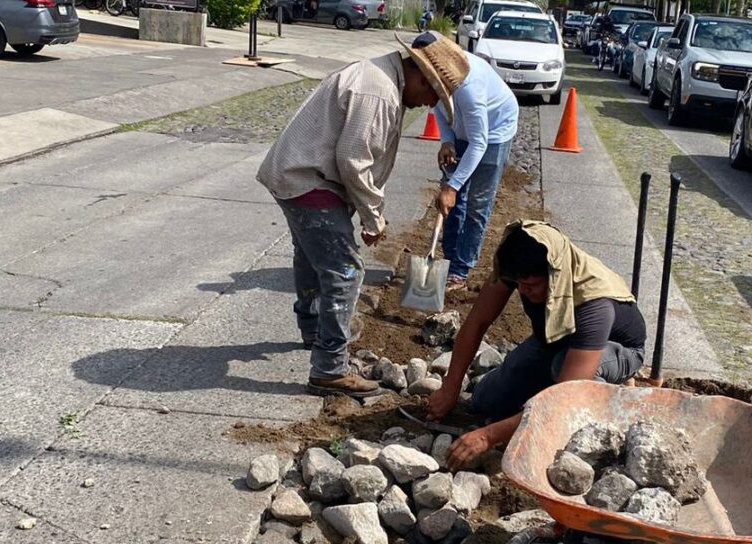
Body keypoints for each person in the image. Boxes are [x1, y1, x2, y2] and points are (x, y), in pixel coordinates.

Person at [257, 39, 454, 398]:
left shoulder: (381, 76)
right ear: (422, 76)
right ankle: (329, 369)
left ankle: (314, 329)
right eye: (433, 94)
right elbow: (353, 162)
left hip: (297, 174)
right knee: (345, 271)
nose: (431, 104)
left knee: (311, 256)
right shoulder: (378, 92)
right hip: (308, 180)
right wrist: (373, 217)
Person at [426, 221, 647, 468]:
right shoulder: (518, 263)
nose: (522, 291)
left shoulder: (594, 306)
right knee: (485, 400)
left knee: (562, 381)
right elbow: (476, 323)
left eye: (530, 286)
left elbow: (563, 397)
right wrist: (451, 387)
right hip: (555, 339)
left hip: (616, 349)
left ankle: (606, 404)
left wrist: (488, 437)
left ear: (555, 278)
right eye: (518, 283)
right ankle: (547, 387)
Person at [400, 32, 519, 291]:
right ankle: (449, 259)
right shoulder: (436, 76)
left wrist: (452, 187)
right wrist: (447, 141)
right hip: (462, 130)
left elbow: (479, 142)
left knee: (476, 204)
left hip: (493, 132)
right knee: (452, 203)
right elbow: (437, 105)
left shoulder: (469, 87)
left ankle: (460, 270)